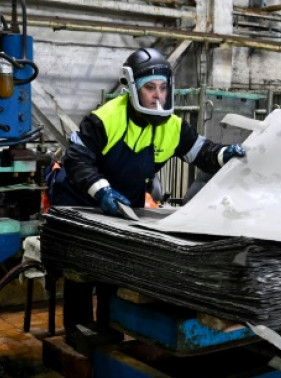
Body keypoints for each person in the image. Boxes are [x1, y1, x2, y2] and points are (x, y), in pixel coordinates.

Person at [48, 47, 247, 340]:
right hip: (81, 197)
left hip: (124, 201)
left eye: (163, 88)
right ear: (132, 88)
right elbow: (77, 159)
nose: (158, 96)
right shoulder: (105, 119)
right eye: (149, 88)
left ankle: (108, 329)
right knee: (81, 267)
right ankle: (78, 332)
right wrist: (102, 191)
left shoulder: (173, 127)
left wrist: (224, 154)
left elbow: (202, 152)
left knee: (115, 267)